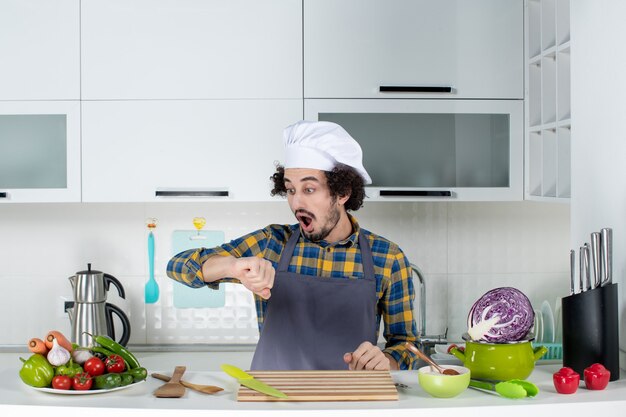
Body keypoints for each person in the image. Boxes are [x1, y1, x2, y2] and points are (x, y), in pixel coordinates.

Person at [167, 120, 418, 370]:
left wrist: (386, 360)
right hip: (275, 399)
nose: (296, 202)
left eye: (309, 189)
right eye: (289, 189)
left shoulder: (387, 257)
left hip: (348, 400)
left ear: (342, 193)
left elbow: (407, 346)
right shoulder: (271, 244)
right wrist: (232, 266)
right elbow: (177, 266)